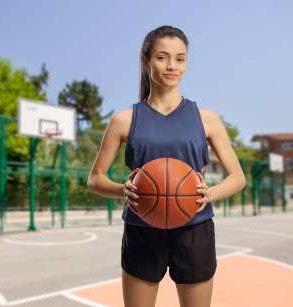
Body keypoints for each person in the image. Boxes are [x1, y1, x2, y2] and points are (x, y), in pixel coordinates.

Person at [87, 25, 246, 307]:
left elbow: (237, 178)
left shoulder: (206, 118)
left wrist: (209, 194)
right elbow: (95, 178)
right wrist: (122, 190)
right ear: (145, 60)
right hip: (142, 228)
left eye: (180, 58)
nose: (172, 66)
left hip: (194, 229)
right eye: (162, 57)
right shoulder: (124, 120)